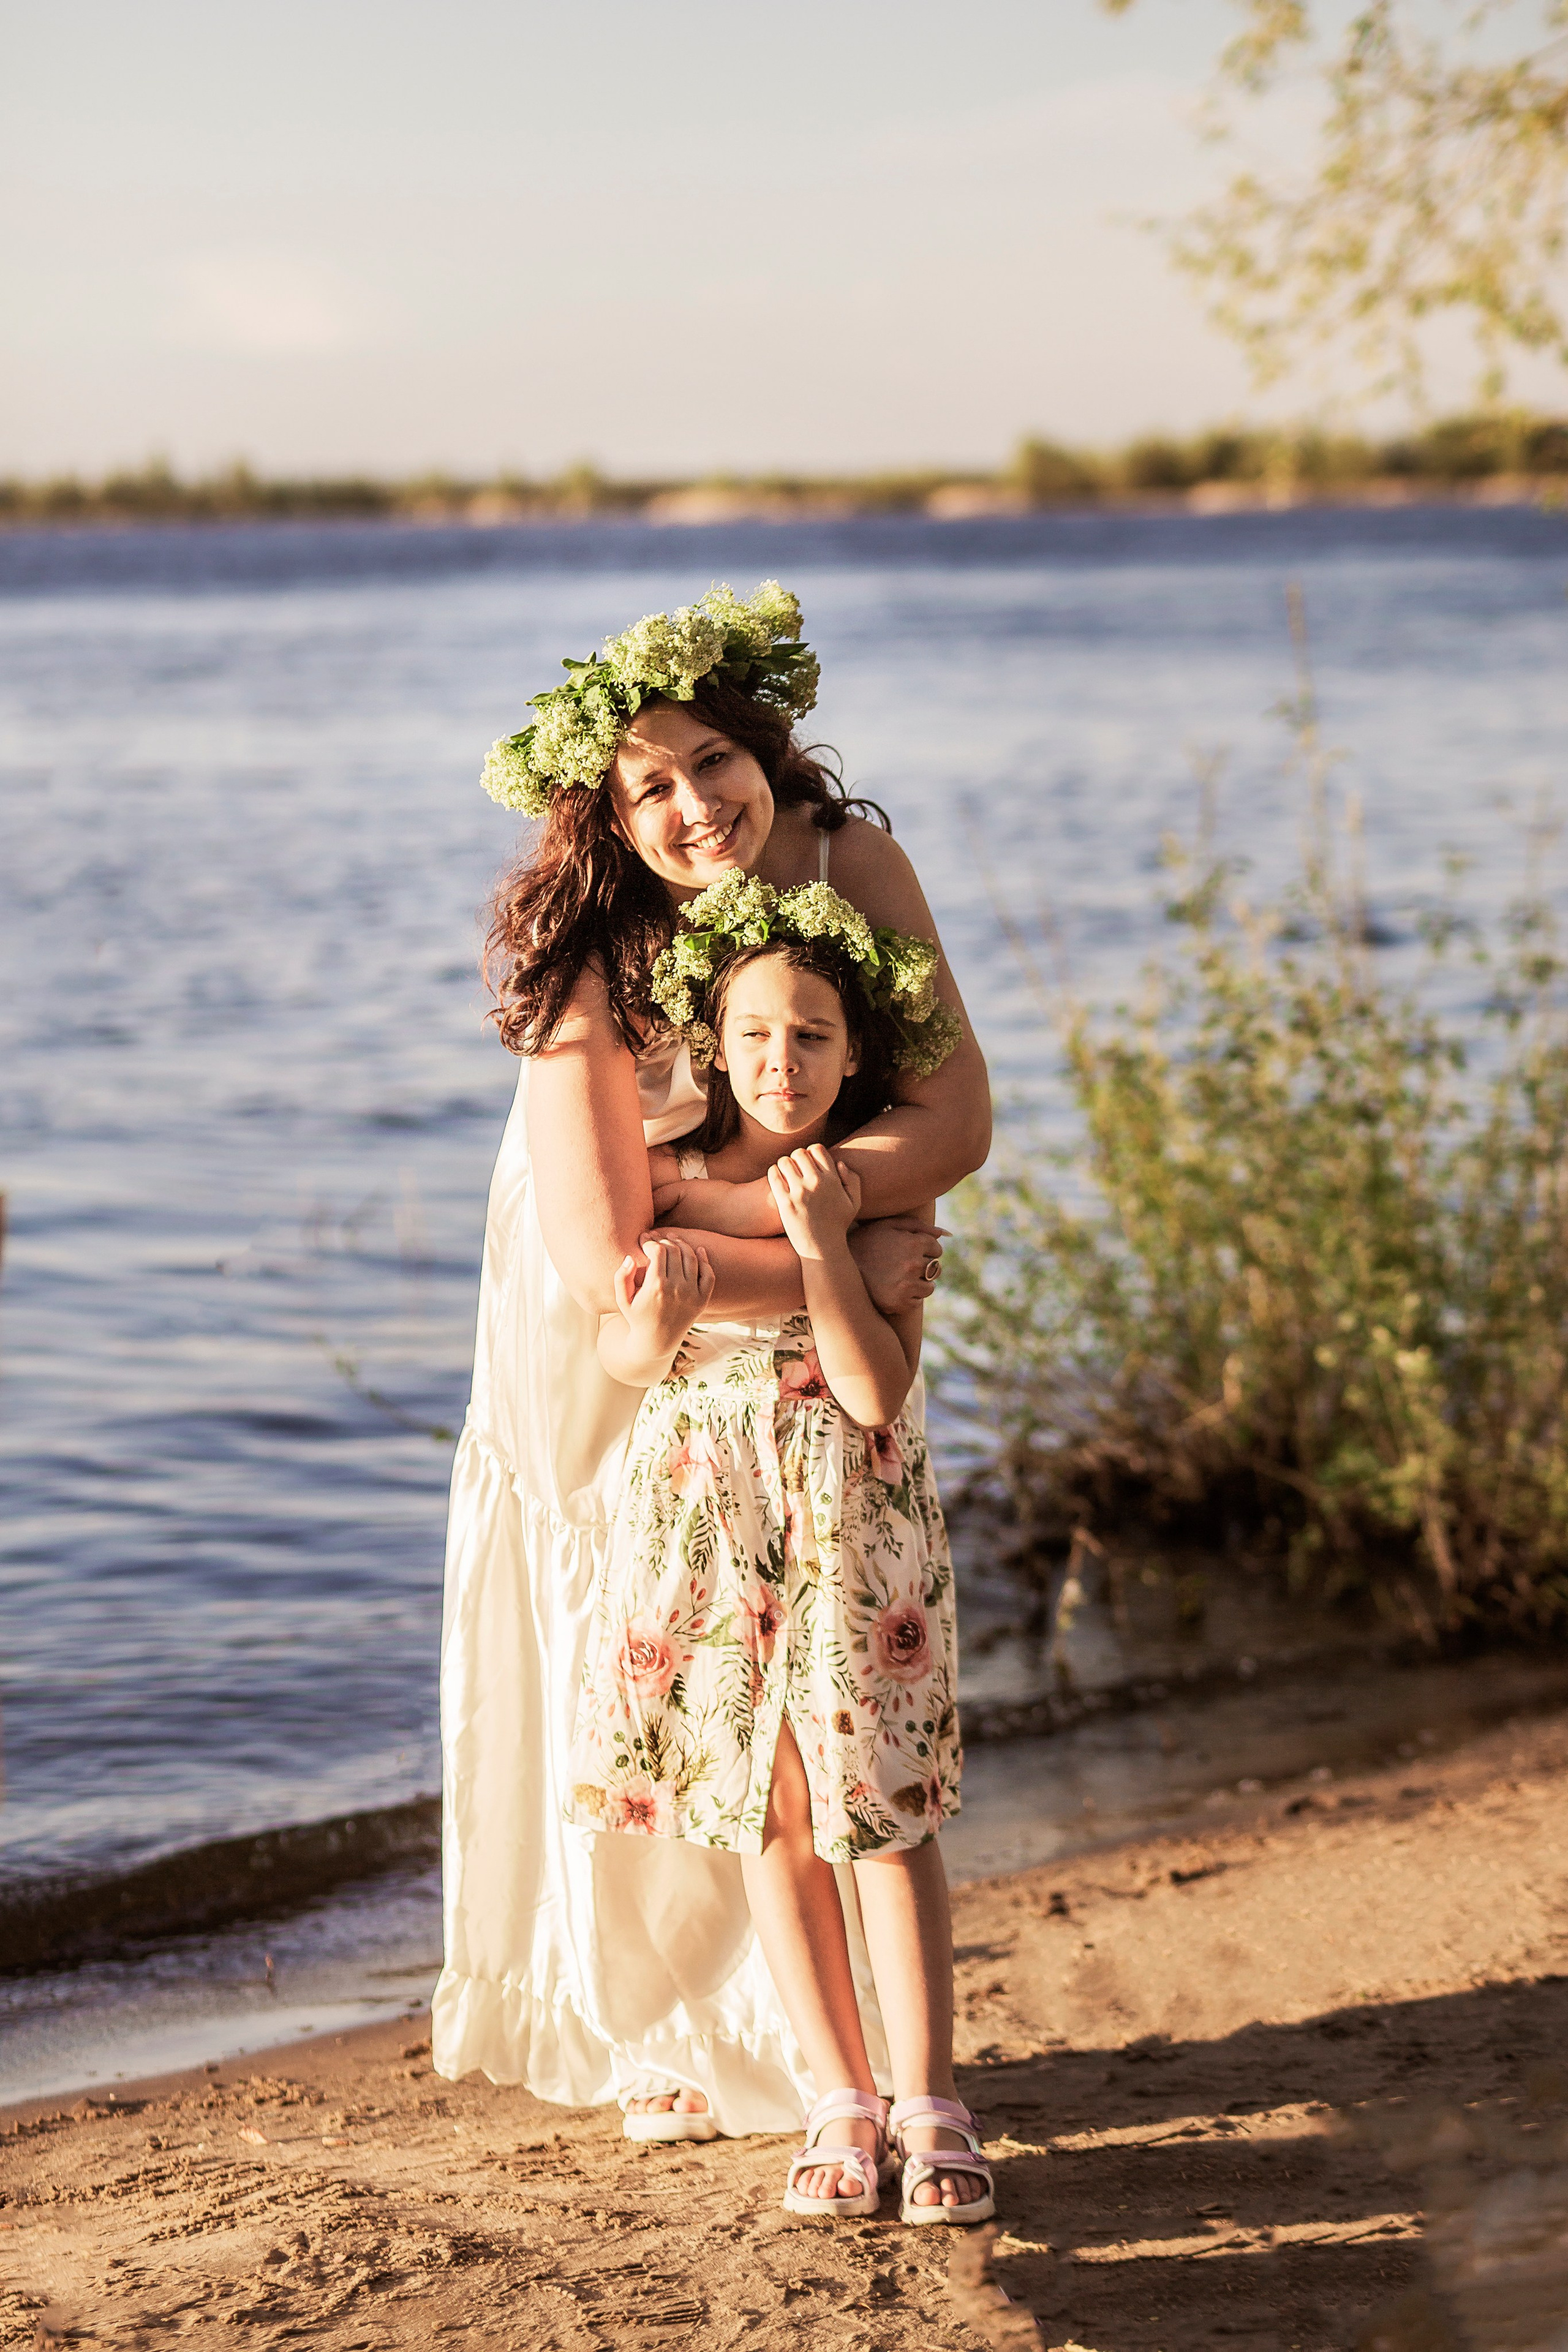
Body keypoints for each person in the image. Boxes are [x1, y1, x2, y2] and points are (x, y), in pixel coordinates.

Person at [433, 582, 991, 2152]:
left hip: (792, 1282)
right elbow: (610, 1251)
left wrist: (781, 1230)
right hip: (621, 1293)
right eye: (646, 789)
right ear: (605, 819)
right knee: (646, 1635)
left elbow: (952, 1127)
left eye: (710, 762)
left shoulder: (848, 862)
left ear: (768, 743)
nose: (692, 808)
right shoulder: (593, 951)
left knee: (812, 1650)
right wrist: (836, 1256)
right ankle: (670, 2017)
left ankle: (839, 2053)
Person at [569, 883, 992, 2220]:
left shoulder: (877, 1193)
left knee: (878, 1805)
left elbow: (873, 1393)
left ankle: (927, 2099)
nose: (780, 1062)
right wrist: (657, 1310)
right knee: (770, 1805)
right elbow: (622, 1352)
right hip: (709, 1513)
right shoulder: (670, 1170)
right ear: (714, 1041)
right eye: (754, 1036)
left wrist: (816, 1248)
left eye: (812, 1036)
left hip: (849, 1522)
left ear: (854, 1053)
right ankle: (837, 2097)